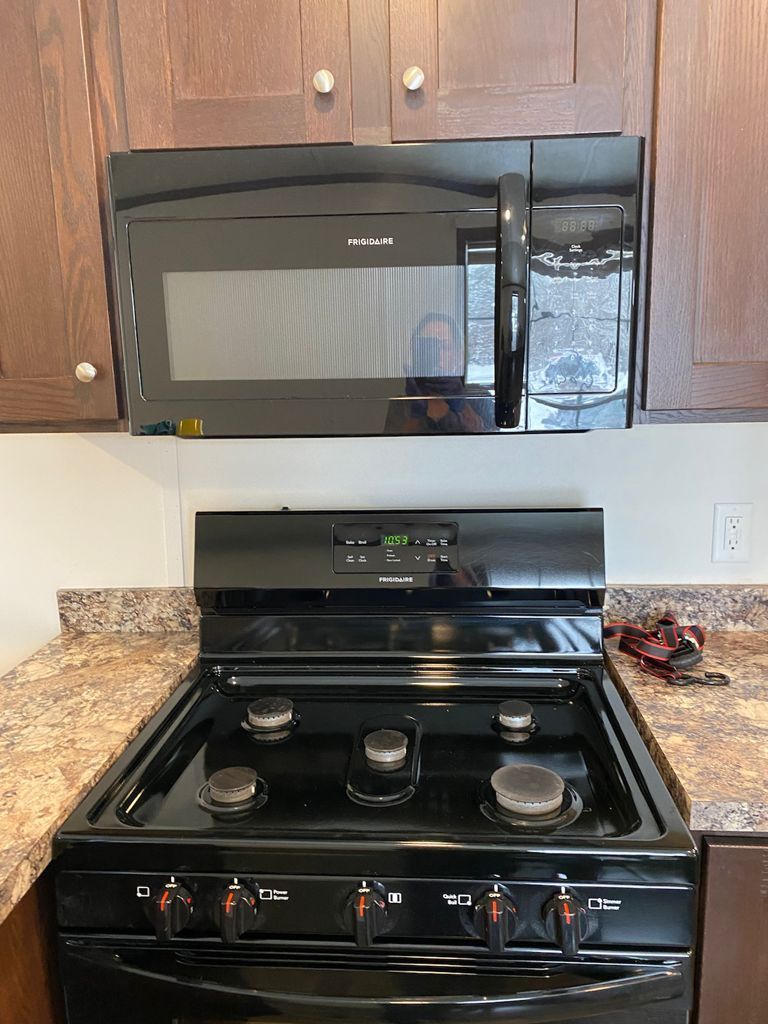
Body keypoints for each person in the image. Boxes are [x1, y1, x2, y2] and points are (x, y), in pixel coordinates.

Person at [385, 313, 492, 433]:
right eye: (428, 347)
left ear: (458, 355)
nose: (437, 355)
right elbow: (394, 448)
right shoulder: (401, 403)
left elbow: (493, 444)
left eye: (445, 347)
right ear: (416, 351)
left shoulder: (479, 397)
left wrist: (461, 403)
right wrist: (415, 414)